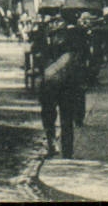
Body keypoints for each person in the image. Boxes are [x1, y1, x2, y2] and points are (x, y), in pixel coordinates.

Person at [38, 11, 89, 158]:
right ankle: (63, 149)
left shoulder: (49, 32)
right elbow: (83, 57)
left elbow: (39, 54)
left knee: (52, 115)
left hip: (55, 81)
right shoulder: (77, 35)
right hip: (65, 82)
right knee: (63, 117)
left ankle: (55, 144)